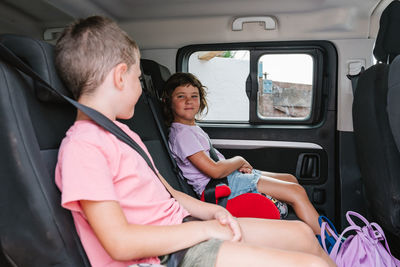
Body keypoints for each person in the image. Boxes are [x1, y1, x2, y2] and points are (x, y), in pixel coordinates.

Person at [54, 15, 335, 267]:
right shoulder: (83, 147)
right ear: (119, 77)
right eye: (138, 79)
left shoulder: (122, 133)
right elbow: (120, 242)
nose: (141, 89)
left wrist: (211, 212)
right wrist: (204, 229)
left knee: (302, 234)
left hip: (183, 230)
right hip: (163, 255)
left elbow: (170, 194)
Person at [162, 72, 322, 235]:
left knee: (290, 179)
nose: (189, 101)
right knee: (297, 191)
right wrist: (239, 160)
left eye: (194, 96)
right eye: (181, 96)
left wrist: (235, 167)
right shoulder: (182, 135)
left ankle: (287, 212)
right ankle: (329, 241)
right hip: (219, 187)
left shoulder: (191, 129)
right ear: (168, 102)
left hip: (230, 178)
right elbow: (215, 170)